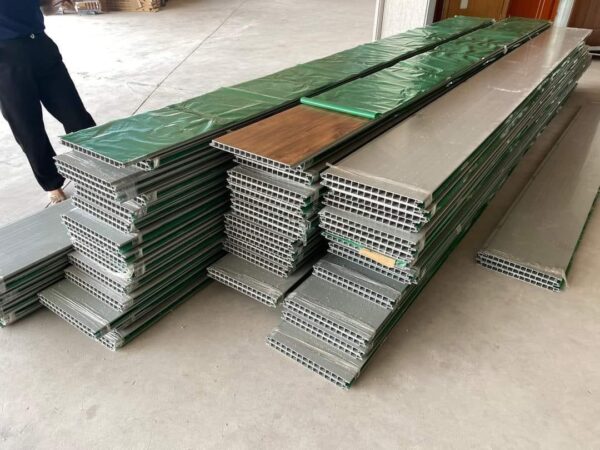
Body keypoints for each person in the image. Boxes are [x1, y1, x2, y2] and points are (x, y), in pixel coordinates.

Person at [0, 1, 95, 204]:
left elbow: (46, 5)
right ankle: (52, 184)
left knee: (77, 116)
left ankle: (98, 168)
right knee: (28, 128)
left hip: (41, 46)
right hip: (6, 58)